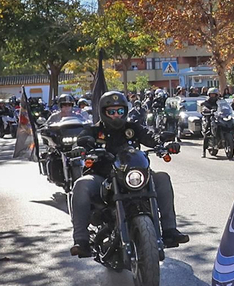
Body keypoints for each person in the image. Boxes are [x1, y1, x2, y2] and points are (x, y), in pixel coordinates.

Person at [67, 91, 187, 257]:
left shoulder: (133, 128)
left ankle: (169, 230)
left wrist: (164, 144)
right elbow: (82, 140)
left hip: (133, 175)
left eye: (120, 111)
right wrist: (80, 148)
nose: (116, 115)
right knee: (81, 185)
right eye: (112, 111)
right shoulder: (95, 130)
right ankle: (81, 240)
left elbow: (151, 136)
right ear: (103, 112)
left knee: (162, 177)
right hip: (103, 176)